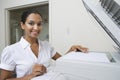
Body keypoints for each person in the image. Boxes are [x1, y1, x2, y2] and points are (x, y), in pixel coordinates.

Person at [0, 9, 88, 80]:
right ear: (22, 25)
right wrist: (30, 76)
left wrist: (71, 50)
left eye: (39, 24)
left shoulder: (46, 45)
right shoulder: (11, 50)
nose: (36, 28)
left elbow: (61, 61)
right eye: (31, 23)